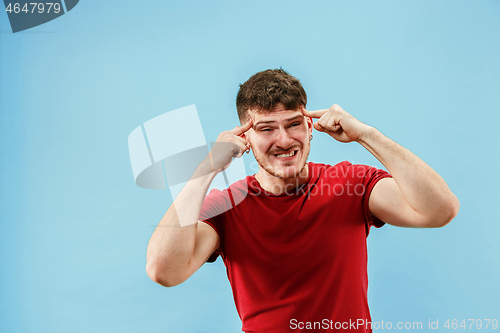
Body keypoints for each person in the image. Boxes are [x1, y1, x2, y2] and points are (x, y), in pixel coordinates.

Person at [145, 69, 459, 332]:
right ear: (245, 140)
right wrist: (205, 169)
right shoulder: (227, 205)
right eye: (266, 129)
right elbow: (164, 271)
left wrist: (367, 134)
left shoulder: (352, 183)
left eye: (294, 124)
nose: (284, 140)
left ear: (310, 127)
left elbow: (440, 211)